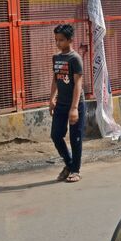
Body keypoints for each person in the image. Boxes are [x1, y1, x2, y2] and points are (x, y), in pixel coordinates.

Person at [49, 24, 85, 183]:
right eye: (56, 40)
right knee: (56, 135)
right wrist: (51, 98)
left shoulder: (75, 59)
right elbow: (55, 79)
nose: (58, 43)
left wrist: (75, 108)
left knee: (75, 137)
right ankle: (69, 164)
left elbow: (78, 84)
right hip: (61, 104)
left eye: (61, 40)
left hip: (75, 104)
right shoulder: (56, 58)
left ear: (70, 40)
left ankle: (75, 170)